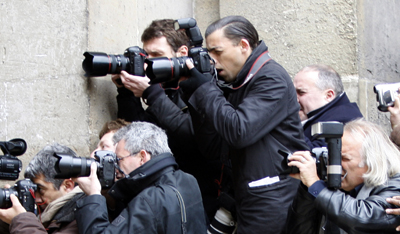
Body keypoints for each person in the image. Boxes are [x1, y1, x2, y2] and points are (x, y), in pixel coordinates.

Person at [179, 15, 309, 234]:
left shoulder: (271, 77)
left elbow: (240, 131)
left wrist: (205, 91)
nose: (212, 61)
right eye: (208, 54)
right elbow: (212, 148)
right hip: (251, 197)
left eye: (217, 52)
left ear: (243, 45)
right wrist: (194, 94)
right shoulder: (237, 81)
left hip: (271, 197)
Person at [113, 19, 222, 222]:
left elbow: (192, 136)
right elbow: (138, 135)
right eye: (146, 56)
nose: (149, 64)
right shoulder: (163, 88)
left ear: (182, 53)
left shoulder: (206, 85)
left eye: (157, 55)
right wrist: (126, 93)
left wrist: (151, 94)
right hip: (162, 193)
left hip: (199, 195)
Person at [74, 121, 207, 234]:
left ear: (142, 157)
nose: (116, 166)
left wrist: (93, 196)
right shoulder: (188, 180)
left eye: (119, 159)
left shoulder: (150, 200)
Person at [283, 118, 400, 234]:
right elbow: (297, 230)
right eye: (332, 156)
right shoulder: (331, 185)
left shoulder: (395, 183)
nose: (335, 164)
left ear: (373, 161)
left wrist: (315, 185)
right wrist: (307, 188)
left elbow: (364, 219)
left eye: (344, 158)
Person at [0, 143, 85, 234]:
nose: (36, 198)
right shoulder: (44, 213)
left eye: (40, 189)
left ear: (67, 186)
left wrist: (20, 219)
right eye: (32, 189)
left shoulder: (81, 217)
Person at [293, 64, 363, 149]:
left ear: (328, 96)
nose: (294, 99)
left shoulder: (342, 119)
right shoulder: (330, 114)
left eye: (301, 92)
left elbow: (313, 156)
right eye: (293, 92)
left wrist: (288, 122)